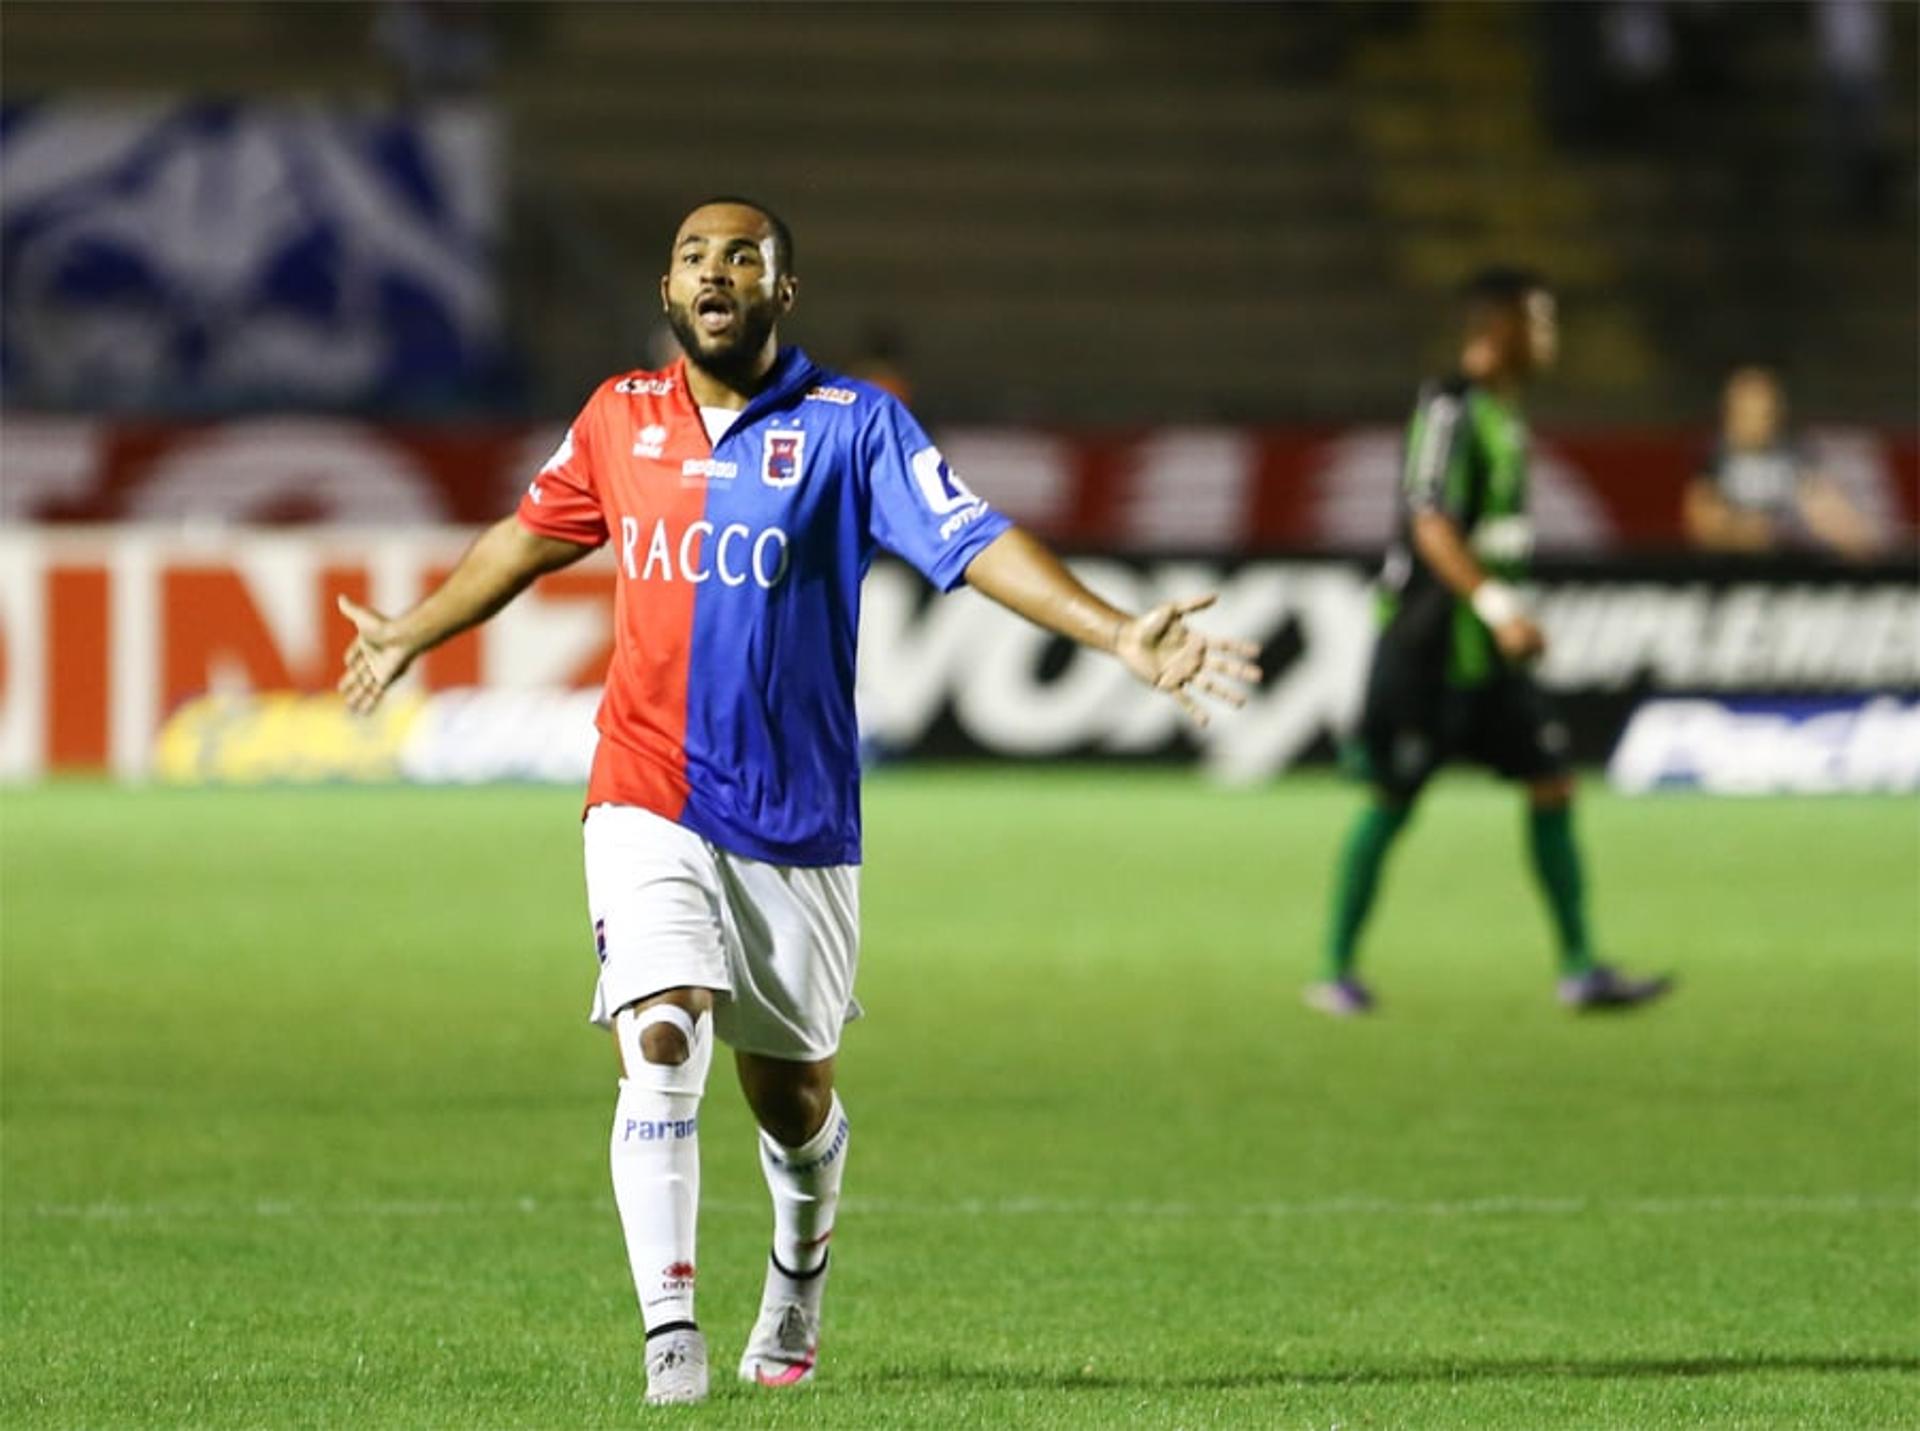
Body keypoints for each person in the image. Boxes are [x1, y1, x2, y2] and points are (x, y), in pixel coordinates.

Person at [335, 197, 1261, 1405]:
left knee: (791, 1094)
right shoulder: (619, 419)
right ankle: (671, 1335)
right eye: (691, 257)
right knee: (660, 1033)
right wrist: (411, 629)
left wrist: (1117, 633)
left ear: (783, 293)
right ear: (668, 295)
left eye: (741, 257)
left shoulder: (853, 427)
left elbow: (974, 542)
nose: (714, 272)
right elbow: (525, 540)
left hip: (797, 820)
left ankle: (797, 1274)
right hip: (645, 790)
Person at [1308, 266, 1672, 1018]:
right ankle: (1335, 969)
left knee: (1552, 783)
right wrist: (1500, 603)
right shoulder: (1450, 406)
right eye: (1540, 322)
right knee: (1393, 798)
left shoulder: (1507, 415)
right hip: (1432, 645)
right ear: (1500, 328)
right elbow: (1430, 522)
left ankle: (1580, 967)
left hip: (1492, 650)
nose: (1550, 340)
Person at [1684, 366, 1879, 560]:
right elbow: (1702, 527)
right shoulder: (1714, 464)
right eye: (1746, 411)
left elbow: (1841, 526)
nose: (1756, 422)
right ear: (1729, 413)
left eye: (1764, 412)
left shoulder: (1793, 461)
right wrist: (1740, 529)